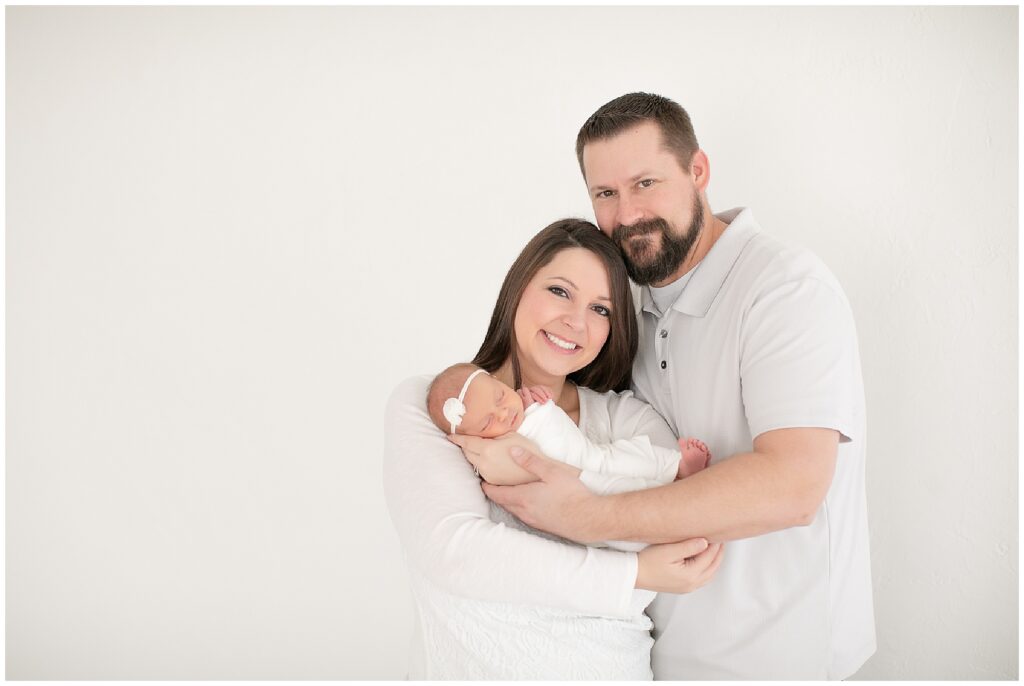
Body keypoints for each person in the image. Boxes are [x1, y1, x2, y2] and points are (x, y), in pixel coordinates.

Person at [476, 93, 876, 679]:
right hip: (650, 655)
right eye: (605, 194)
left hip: (780, 656)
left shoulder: (785, 290)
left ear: (698, 171)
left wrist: (584, 516)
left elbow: (794, 486)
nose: (627, 213)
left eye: (645, 183)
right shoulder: (620, 311)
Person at [382, 218, 723, 680]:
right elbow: (456, 554)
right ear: (519, 288)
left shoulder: (629, 421)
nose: (576, 321)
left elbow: (680, 533)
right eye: (560, 291)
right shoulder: (436, 407)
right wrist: (633, 573)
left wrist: (555, 489)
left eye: (601, 310)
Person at [425, 361, 711, 488]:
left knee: (619, 459)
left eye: (500, 397)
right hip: (578, 472)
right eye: (488, 422)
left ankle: (675, 468)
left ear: (499, 383)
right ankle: (674, 468)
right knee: (616, 474)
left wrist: (543, 407)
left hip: (586, 456)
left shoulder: (523, 406)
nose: (502, 414)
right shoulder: (491, 451)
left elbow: (549, 425)